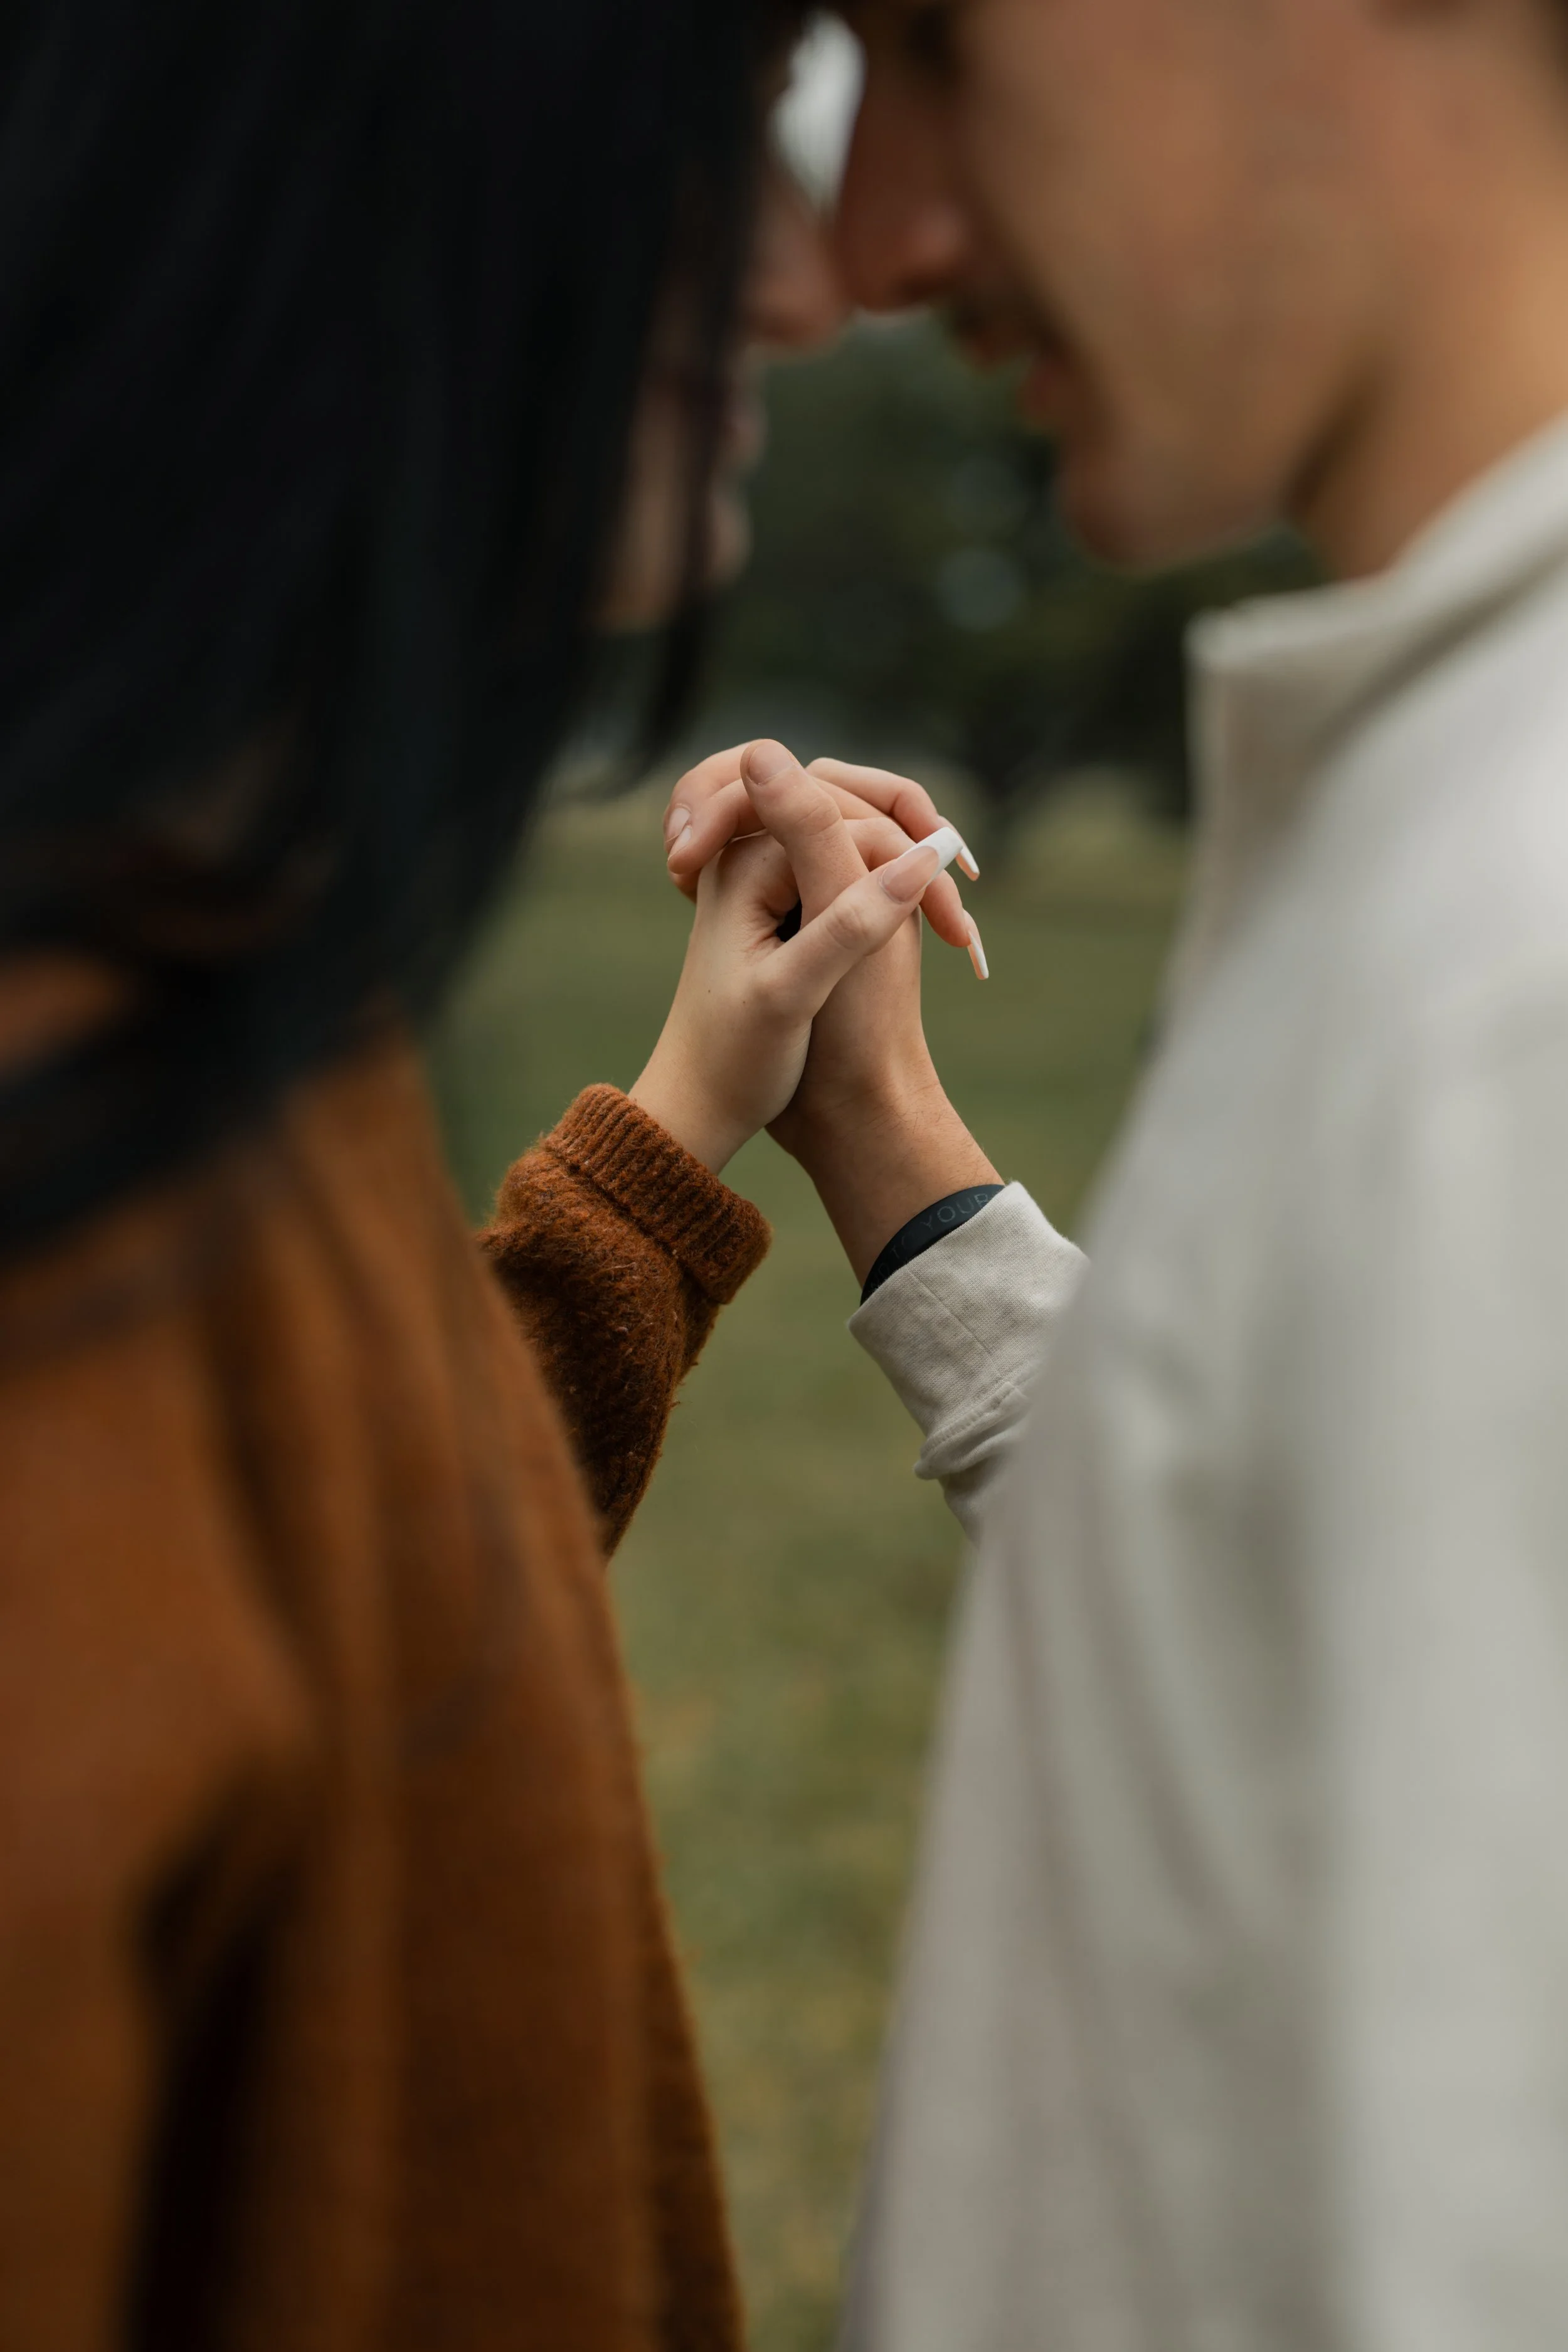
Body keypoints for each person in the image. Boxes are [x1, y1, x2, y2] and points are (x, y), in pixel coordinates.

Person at [0, 5, 941, 2346]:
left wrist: (675, 1132)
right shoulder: (67, 1176)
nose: (810, 282)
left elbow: (320, 1617)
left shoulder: (207, 1012)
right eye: (721, 135)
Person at [647, 0, 1568, 2343]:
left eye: (947, 43)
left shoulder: (1511, 962)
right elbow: (1288, 1608)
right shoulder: (1445, 832)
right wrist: (886, 1142)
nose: (867, 242)